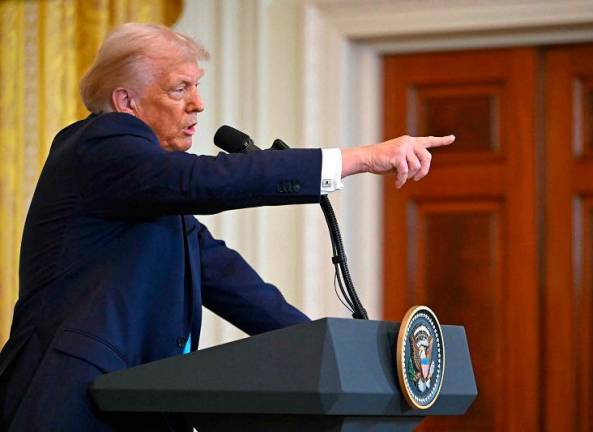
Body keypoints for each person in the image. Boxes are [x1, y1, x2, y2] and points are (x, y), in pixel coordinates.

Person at [0, 23, 454, 431]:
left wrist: (328, 353)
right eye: (180, 89)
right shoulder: (98, 145)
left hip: (126, 406)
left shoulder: (148, 192)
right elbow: (204, 180)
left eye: (197, 86)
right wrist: (357, 159)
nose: (198, 104)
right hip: (65, 402)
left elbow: (234, 284)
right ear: (125, 102)